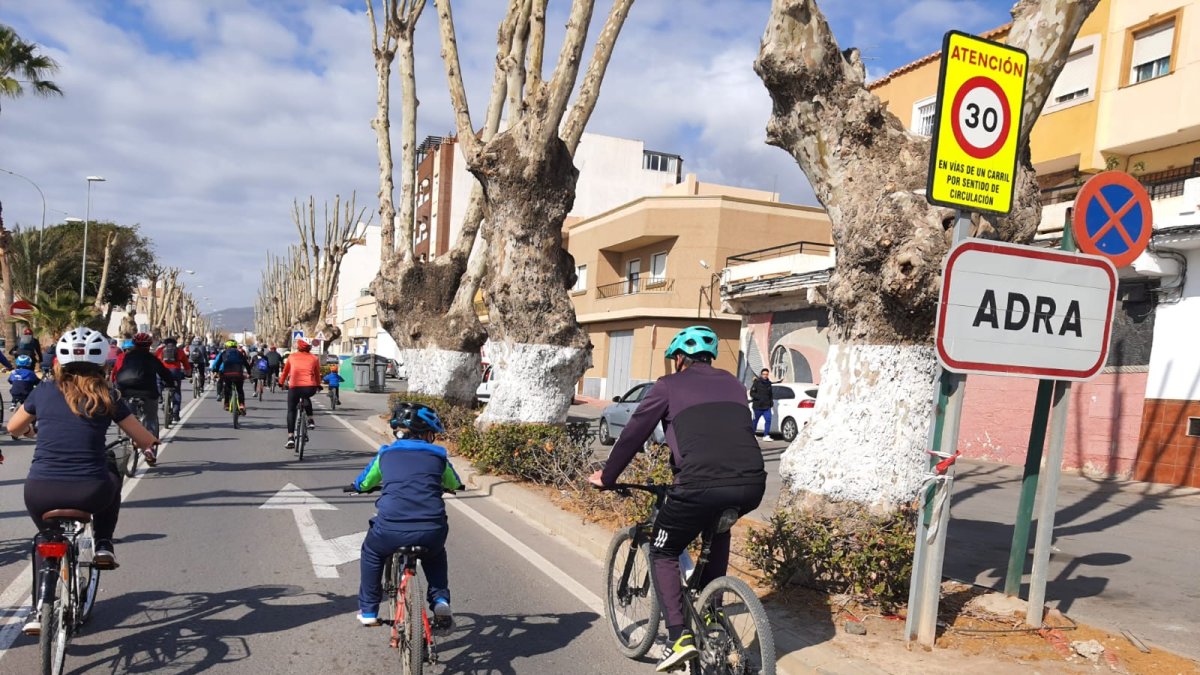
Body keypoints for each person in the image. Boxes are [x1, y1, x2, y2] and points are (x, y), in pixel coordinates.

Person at [588, 325, 767, 672]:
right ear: (710, 357)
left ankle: (677, 637)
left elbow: (634, 432)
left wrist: (608, 476)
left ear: (680, 358)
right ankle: (710, 611)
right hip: (751, 486)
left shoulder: (667, 386)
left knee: (663, 548)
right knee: (719, 530)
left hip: (698, 484)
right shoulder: (733, 384)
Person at [10, 327, 158, 635]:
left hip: (39, 491)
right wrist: (145, 445)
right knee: (112, 478)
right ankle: (103, 543)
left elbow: (13, 427)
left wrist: (31, 432)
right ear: (103, 363)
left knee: (45, 541)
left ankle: (40, 608)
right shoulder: (108, 395)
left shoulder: (44, 391)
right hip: (90, 490)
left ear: (59, 362)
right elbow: (145, 439)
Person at [349, 402, 463, 628]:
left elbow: (363, 482)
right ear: (427, 433)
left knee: (371, 552)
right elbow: (454, 483)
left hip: (390, 530)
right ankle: (440, 600)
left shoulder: (385, 454)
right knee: (436, 554)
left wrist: (357, 487)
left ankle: (369, 610)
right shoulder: (439, 456)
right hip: (431, 530)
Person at [112, 332, 176, 439]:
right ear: (149, 345)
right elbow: (164, 373)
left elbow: (119, 372)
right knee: (150, 418)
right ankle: (149, 443)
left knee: (128, 416)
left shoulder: (127, 357)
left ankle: (126, 436)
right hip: (148, 393)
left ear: (134, 344)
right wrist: (171, 384)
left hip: (126, 391)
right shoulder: (151, 358)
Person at [278, 338, 321, 450]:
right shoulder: (314, 358)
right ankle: (310, 419)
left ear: (298, 348)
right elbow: (317, 374)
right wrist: (318, 385)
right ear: (309, 348)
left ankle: (291, 437)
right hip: (310, 387)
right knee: (306, 396)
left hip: (294, 387)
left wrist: (281, 382)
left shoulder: (291, 357)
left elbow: (285, 371)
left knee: (291, 411)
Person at [155, 337, 191, 420]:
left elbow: (154, 360)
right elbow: (186, 364)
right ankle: (175, 413)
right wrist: (188, 373)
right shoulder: (179, 351)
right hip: (175, 372)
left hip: (162, 371)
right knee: (176, 391)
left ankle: (159, 395)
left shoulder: (160, 350)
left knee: (158, 381)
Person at [213, 339, 249, 414]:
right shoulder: (240, 353)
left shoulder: (224, 353)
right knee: (240, 389)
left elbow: (218, 364)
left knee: (227, 388)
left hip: (227, 374)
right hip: (238, 374)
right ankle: (241, 404)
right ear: (235, 346)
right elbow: (246, 364)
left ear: (227, 346)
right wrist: (249, 373)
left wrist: (215, 372)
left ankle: (226, 404)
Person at [749, 368, 776, 439]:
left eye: (766, 374)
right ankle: (752, 434)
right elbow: (752, 393)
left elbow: (770, 394)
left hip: (767, 406)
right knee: (755, 421)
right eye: (764, 374)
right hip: (758, 406)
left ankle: (766, 435)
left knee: (768, 420)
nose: (765, 376)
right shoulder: (757, 383)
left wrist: (771, 402)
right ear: (761, 375)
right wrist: (759, 397)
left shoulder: (769, 383)